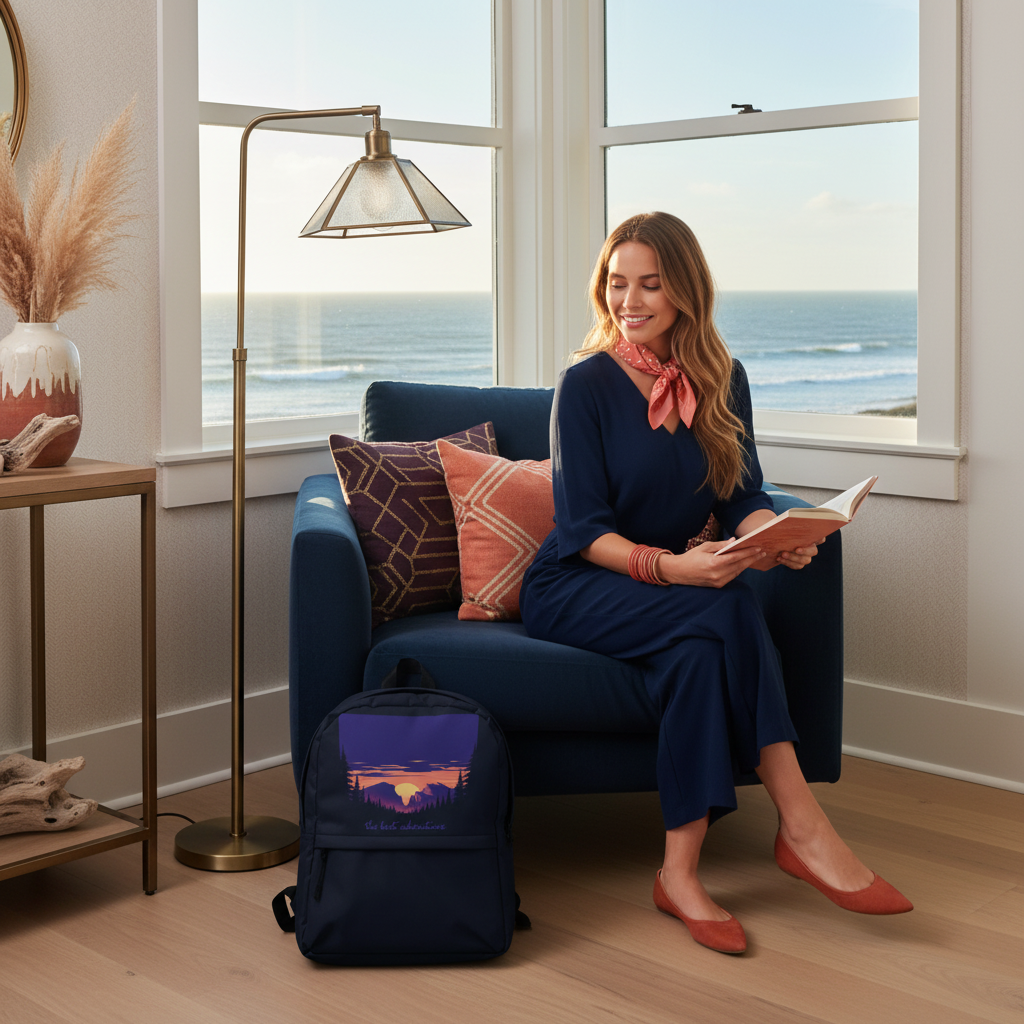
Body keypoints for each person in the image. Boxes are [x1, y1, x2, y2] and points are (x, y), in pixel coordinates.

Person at [519, 211, 912, 955]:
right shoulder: (584, 387)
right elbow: (582, 531)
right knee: (725, 606)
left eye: (650, 284)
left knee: (701, 653)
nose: (629, 301)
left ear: (685, 290)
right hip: (578, 583)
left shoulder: (724, 377)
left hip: (671, 589)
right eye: (616, 283)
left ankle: (679, 875)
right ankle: (803, 826)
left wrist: (775, 538)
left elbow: (742, 495)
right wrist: (674, 568)